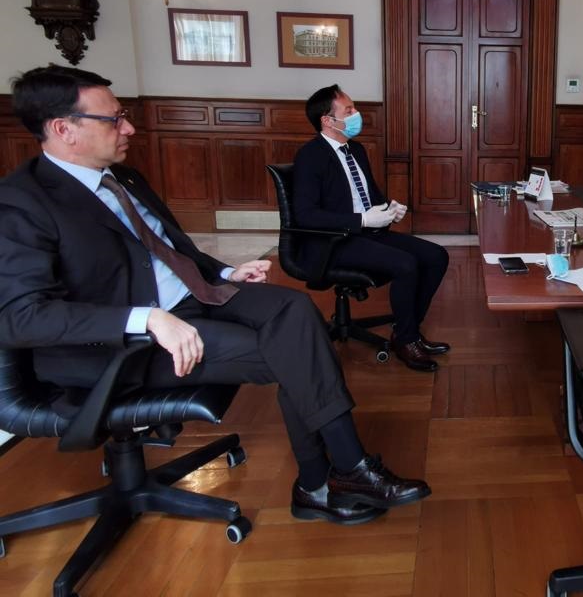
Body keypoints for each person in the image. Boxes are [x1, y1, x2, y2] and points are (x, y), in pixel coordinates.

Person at [0, 65, 430, 527]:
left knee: (296, 309)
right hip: (121, 345)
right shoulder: (22, 202)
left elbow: (168, 247)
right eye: (114, 119)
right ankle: (331, 477)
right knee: (296, 350)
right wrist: (145, 319)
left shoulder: (123, 177)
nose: (129, 128)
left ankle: (328, 480)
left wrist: (225, 271)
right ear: (64, 129)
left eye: (124, 115)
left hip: (193, 297)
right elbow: (22, 318)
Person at [292, 85, 450, 373]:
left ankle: (407, 330)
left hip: (367, 234)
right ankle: (407, 340)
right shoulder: (310, 156)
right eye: (349, 110)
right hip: (333, 242)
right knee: (405, 264)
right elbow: (305, 216)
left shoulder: (356, 149)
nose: (357, 114)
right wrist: (362, 221)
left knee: (437, 256)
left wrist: (390, 209)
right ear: (327, 120)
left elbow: (371, 197)